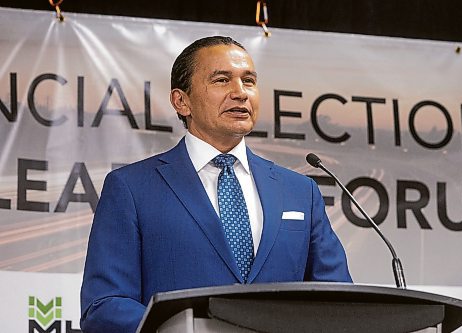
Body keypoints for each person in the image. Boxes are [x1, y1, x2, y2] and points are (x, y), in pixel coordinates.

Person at [80, 36, 352, 333]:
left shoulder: (300, 192)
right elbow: (104, 305)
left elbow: (339, 301)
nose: (240, 93)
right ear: (181, 101)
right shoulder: (131, 188)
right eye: (222, 80)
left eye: (249, 81)